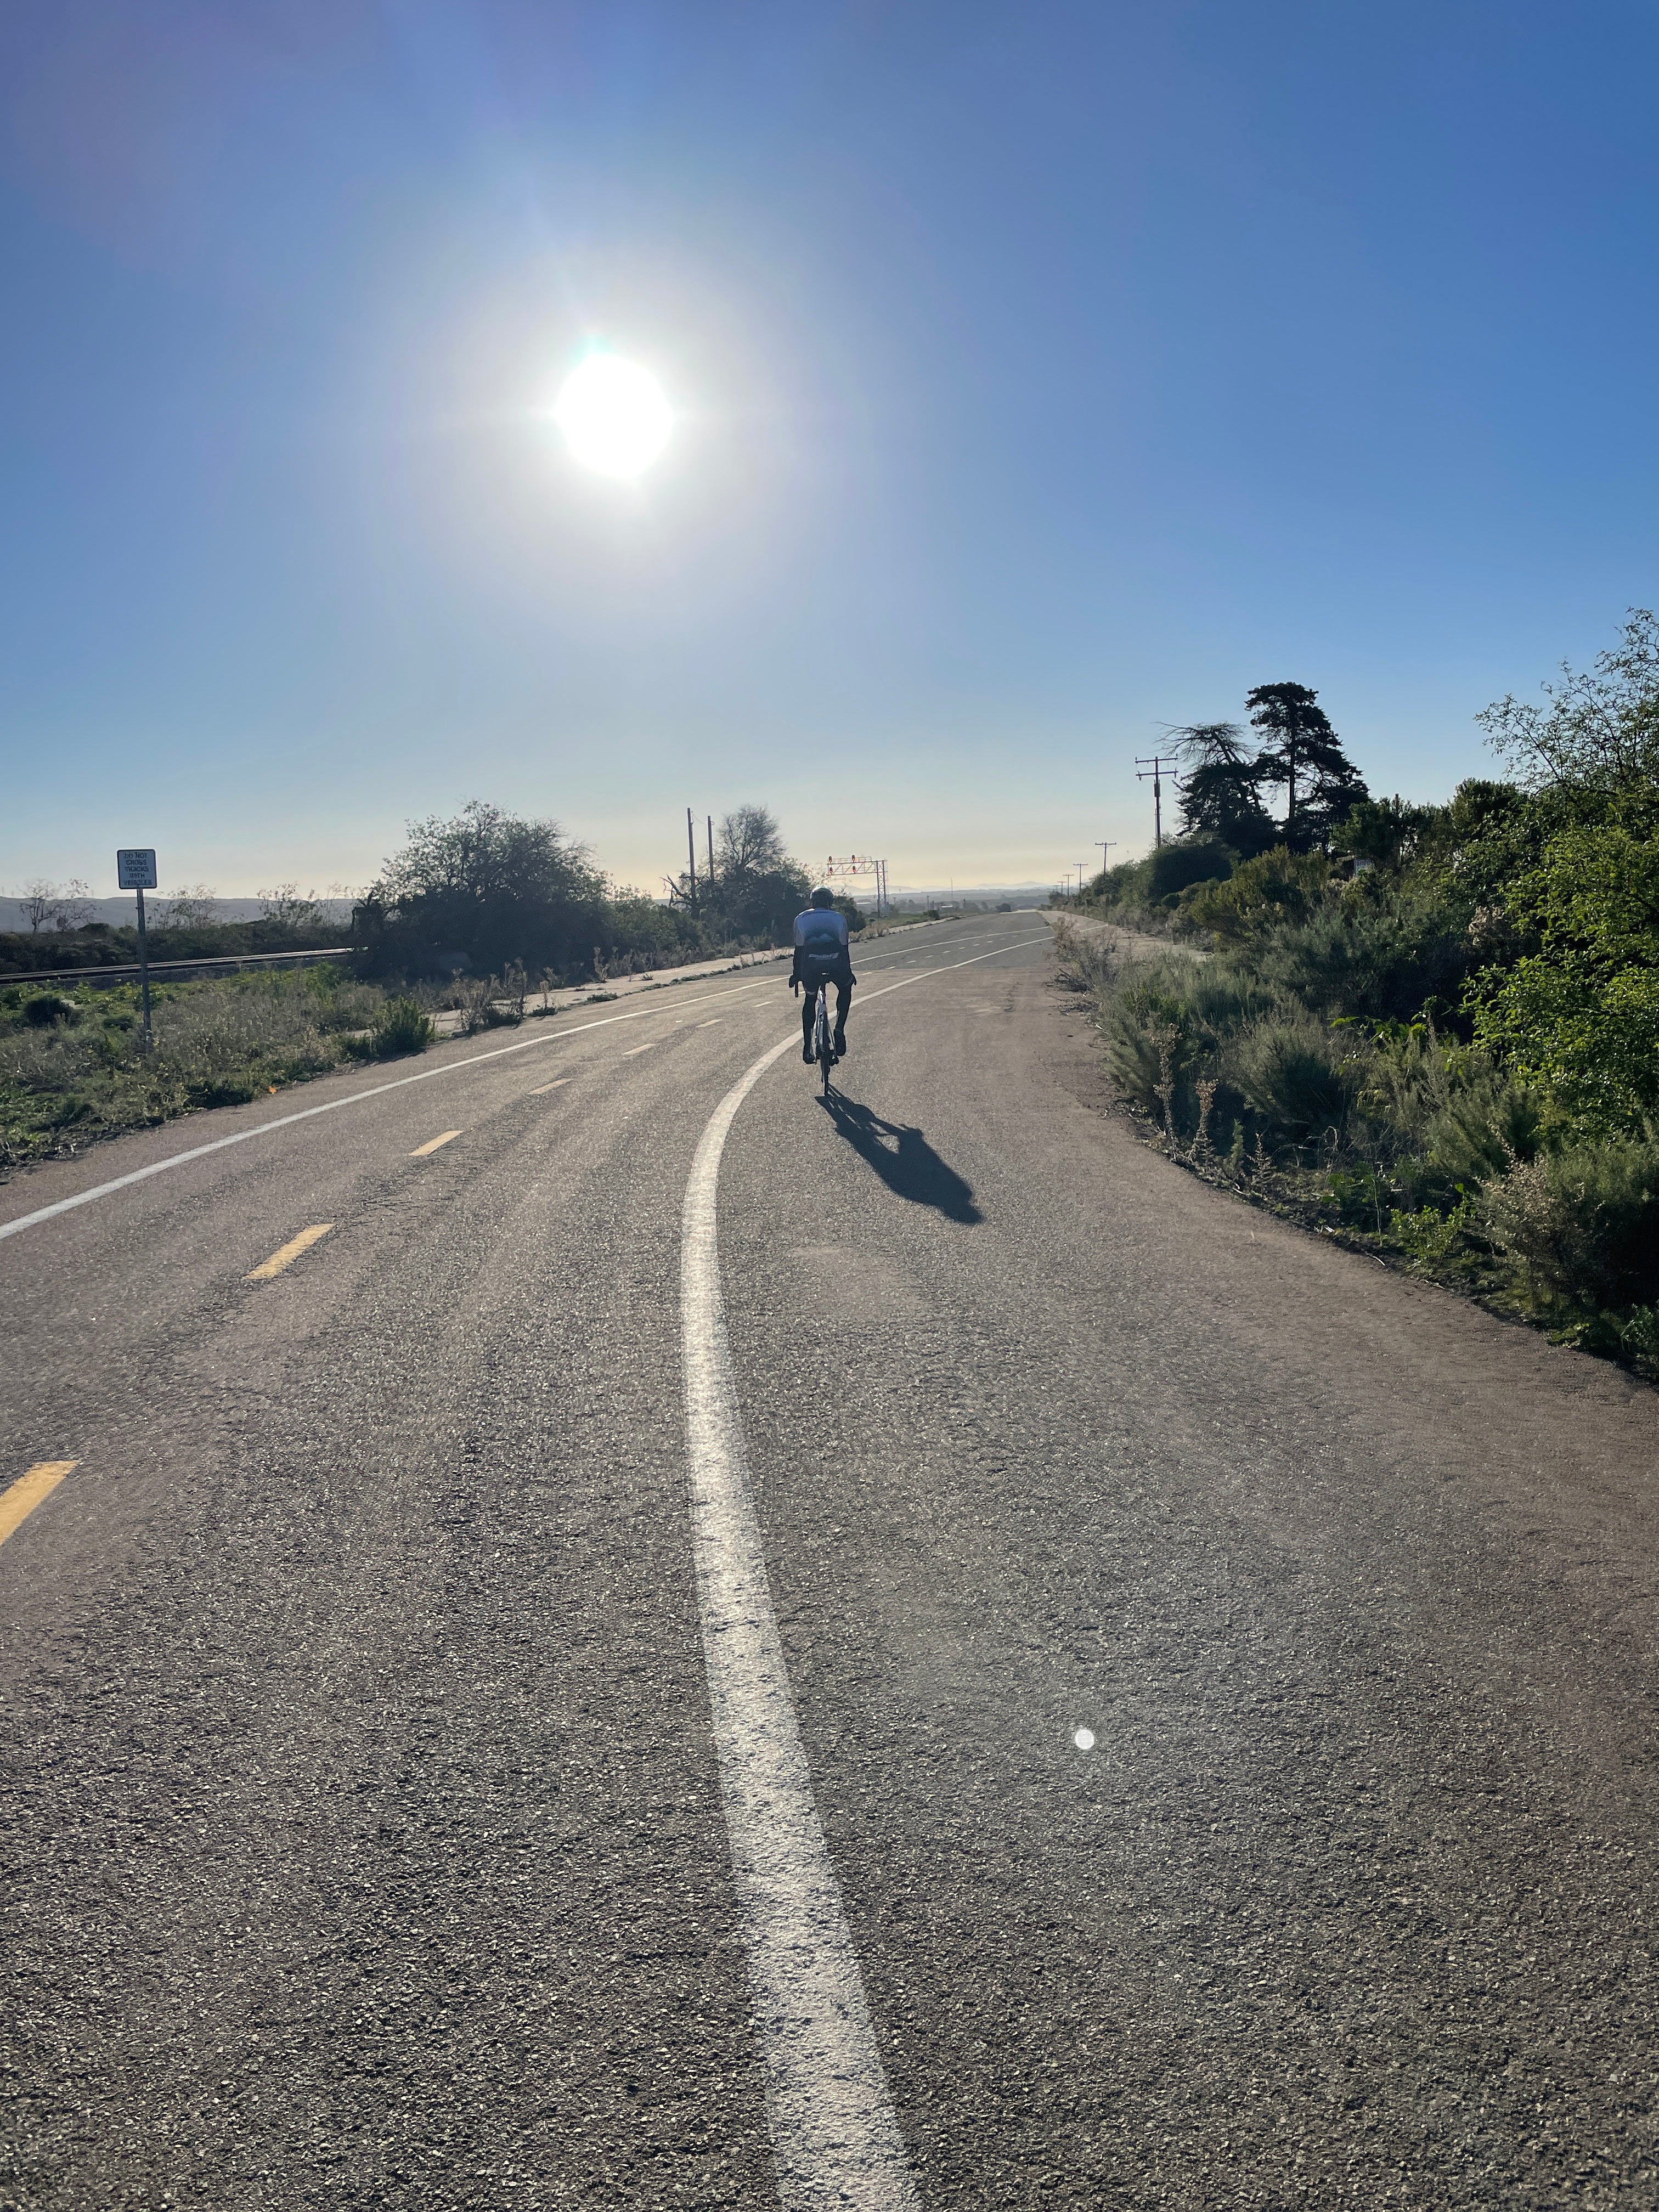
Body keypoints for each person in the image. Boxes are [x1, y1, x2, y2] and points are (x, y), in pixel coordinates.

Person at [791, 885, 855, 1063]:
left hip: (811, 963)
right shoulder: (839, 918)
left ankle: (807, 1048)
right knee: (845, 987)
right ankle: (839, 1028)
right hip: (836, 962)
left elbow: (799, 950)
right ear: (830, 903)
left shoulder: (801, 918)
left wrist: (796, 974)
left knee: (810, 998)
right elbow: (844, 948)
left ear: (812, 902)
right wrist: (848, 974)